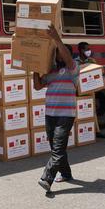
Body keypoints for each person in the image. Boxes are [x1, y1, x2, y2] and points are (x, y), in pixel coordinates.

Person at [33, 25, 80, 192]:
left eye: (61, 51)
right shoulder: (51, 71)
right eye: (57, 52)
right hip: (50, 114)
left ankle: (47, 178)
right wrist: (35, 67)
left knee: (58, 147)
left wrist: (56, 39)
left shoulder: (72, 69)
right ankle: (66, 173)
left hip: (65, 115)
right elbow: (38, 86)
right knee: (56, 148)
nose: (58, 54)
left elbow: (67, 58)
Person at [75, 42, 105, 139]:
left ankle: (96, 131)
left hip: (90, 90)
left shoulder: (92, 61)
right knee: (80, 111)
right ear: (81, 50)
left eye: (89, 49)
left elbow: (97, 73)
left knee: (92, 110)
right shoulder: (75, 62)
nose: (89, 51)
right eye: (86, 49)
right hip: (79, 91)